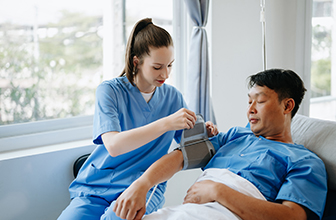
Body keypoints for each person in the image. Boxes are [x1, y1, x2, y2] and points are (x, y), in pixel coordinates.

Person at [58, 18, 218, 220]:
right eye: (157, 67)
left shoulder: (173, 97)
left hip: (143, 185)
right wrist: (166, 123)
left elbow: (190, 144)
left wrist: (205, 131)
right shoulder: (109, 91)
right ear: (137, 62)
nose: (166, 74)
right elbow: (114, 146)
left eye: (170, 65)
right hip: (97, 186)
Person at [115, 69, 328, 220]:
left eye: (260, 101)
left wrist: (218, 191)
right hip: (186, 212)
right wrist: (142, 185)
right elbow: (180, 157)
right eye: (249, 101)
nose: (251, 109)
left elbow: (292, 217)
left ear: (287, 105)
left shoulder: (304, 161)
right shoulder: (234, 136)